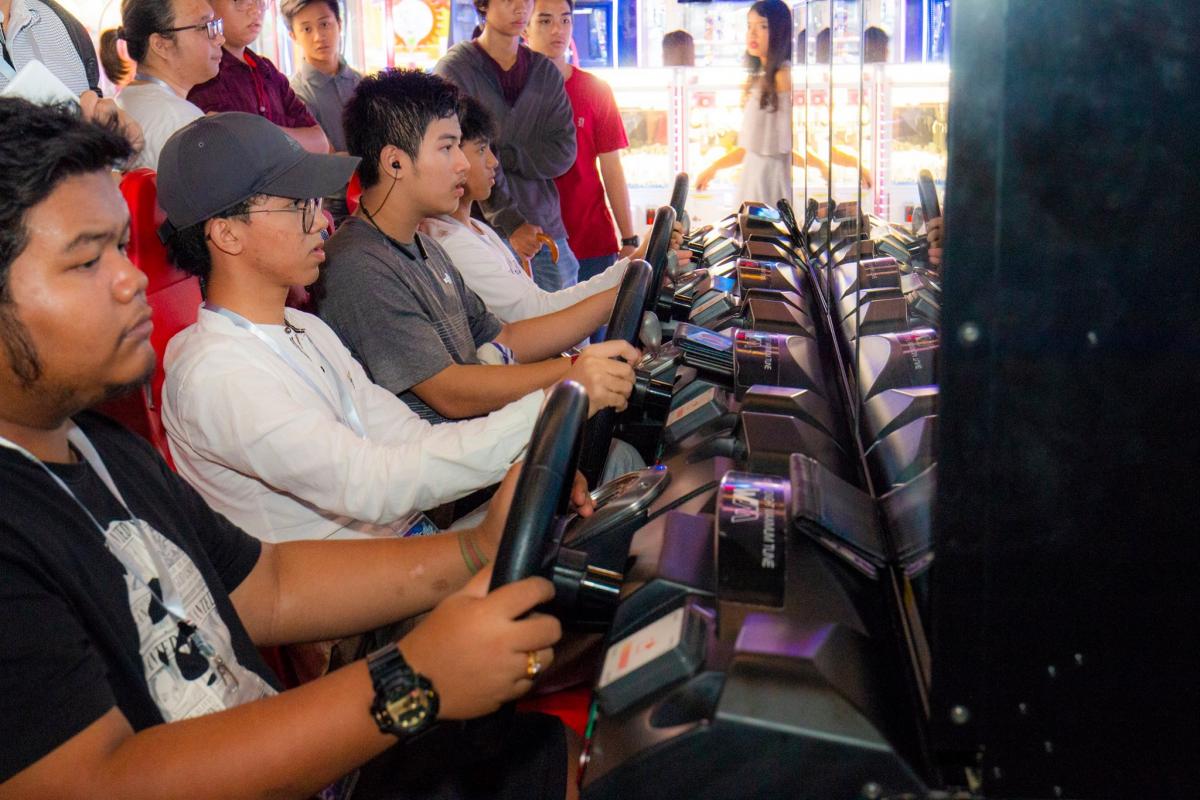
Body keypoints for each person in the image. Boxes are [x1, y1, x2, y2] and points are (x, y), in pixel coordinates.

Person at [0, 96, 579, 800]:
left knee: (560, 745)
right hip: (320, 710)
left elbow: (266, 587)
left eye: (123, 247)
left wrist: (476, 548)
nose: (130, 279)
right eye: (88, 260)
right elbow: (93, 782)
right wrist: (412, 680)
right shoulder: (195, 380)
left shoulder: (99, 445)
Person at [159, 111, 549, 547]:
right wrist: (543, 412)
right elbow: (371, 484)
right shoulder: (218, 374)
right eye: (297, 206)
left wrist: (527, 452)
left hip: (402, 548)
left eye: (316, 205)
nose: (323, 222)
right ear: (227, 235)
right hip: (350, 601)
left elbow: (408, 437)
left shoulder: (304, 328)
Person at [319, 71, 640, 466]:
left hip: (478, 447)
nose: (462, 164)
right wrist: (574, 371)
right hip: (444, 475)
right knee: (619, 458)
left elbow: (506, 335)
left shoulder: (424, 246)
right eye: (447, 147)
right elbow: (451, 391)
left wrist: (620, 297)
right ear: (395, 162)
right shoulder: (360, 265)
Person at [421, 93, 634, 324]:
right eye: (482, 150)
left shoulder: (478, 229)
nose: (494, 162)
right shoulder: (453, 242)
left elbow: (539, 303)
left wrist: (632, 268)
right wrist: (630, 283)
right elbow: (535, 315)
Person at [433, 0, 581, 291]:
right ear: (484, 5)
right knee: (504, 329)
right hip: (476, 227)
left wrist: (504, 154)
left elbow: (564, 151)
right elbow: (459, 153)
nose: (520, 7)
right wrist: (510, 221)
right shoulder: (455, 70)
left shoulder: (545, 73)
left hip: (544, 224)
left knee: (571, 324)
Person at [524, 0, 638, 283]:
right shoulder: (513, 96)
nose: (557, 30)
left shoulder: (595, 90)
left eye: (565, 20)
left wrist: (629, 237)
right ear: (525, 27)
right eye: (545, 21)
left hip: (592, 240)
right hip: (537, 245)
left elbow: (612, 167)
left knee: (605, 327)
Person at [187, 0, 329, 154]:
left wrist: (254, 132)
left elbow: (320, 143)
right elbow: (225, 151)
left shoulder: (267, 70)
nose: (256, 10)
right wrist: (288, 138)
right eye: (241, 1)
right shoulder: (203, 75)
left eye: (261, 1)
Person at [104, 0, 224, 170]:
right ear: (160, 45)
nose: (220, 38)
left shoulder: (126, 97)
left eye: (215, 24)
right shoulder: (180, 122)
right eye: (204, 26)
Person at [281, 0, 361, 222]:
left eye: (325, 24)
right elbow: (327, 158)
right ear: (293, 36)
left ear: (339, 24)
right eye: (307, 29)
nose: (318, 36)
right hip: (330, 207)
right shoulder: (293, 94)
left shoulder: (361, 83)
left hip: (376, 194)